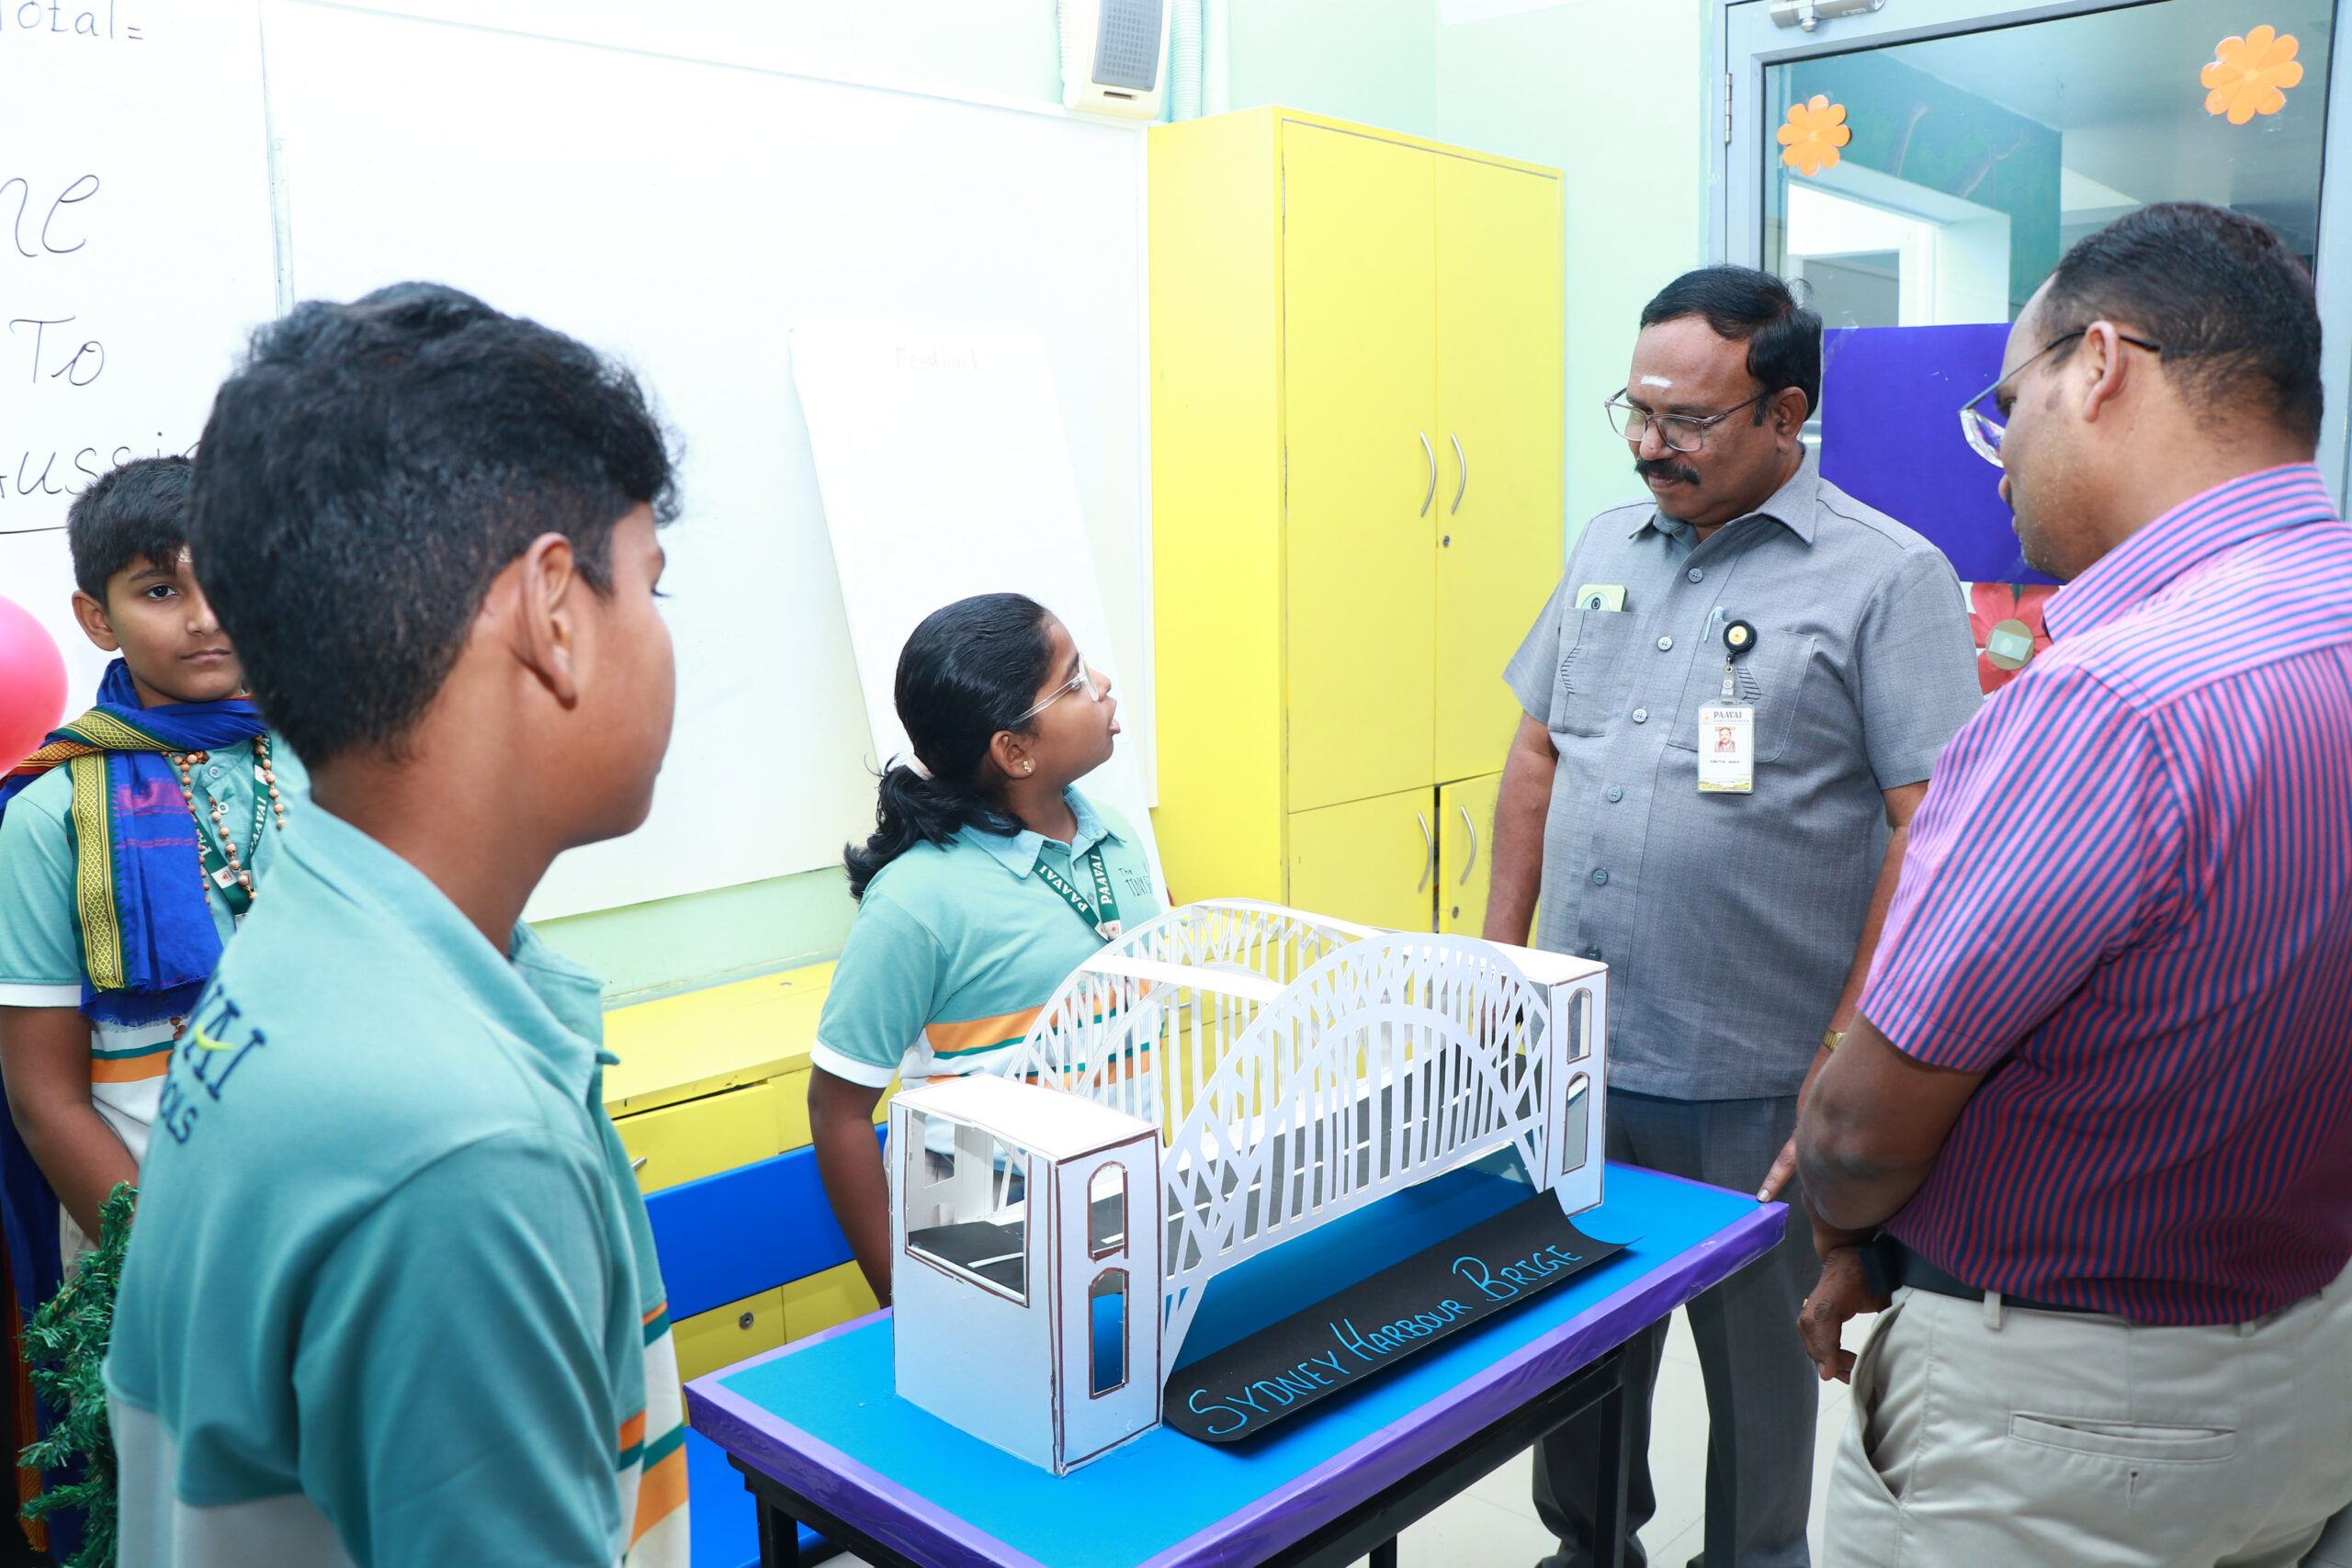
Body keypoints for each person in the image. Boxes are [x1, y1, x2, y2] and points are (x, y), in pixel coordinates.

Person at [1794, 203, 2352, 1568]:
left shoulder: (2109, 705)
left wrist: (1846, 1221)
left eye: (2006, 405)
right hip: (2310, 1365)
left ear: (2098, 366)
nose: (1999, 458)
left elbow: (1862, 1131)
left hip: (2065, 1422)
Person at [102, 283, 690, 1567]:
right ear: (553, 612)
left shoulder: (308, 945)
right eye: (652, 583)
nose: (662, 637)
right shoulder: (462, 1143)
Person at [1485, 266, 1981, 1568]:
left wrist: (1846, 1051)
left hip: (1759, 1068)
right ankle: (1588, 1548)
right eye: (1637, 411)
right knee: (1574, 1344)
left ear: (1785, 413)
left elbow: (1930, 828)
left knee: (1761, 1373)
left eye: (1688, 420)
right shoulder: (1607, 545)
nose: (1651, 444)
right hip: (1579, 1049)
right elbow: (1535, 752)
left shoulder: (1887, 576)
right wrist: (1497, 965)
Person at [0, 457, 311, 1559]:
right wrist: (174, 1275)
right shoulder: (50, 816)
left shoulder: (334, 760)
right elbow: (44, 1098)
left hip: (341, 1231)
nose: (204, 615)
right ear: (97, 616)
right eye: (160, 589)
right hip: (156, 1253)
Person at [808, 592, 1157, 1304]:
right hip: (982, 1233)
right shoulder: (915, 899)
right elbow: (837, 1109)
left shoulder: (1117, 835)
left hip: (1119, 1203)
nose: (1102, 685)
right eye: (1074, 680)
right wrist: (905, 1303)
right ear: (1014, 750)